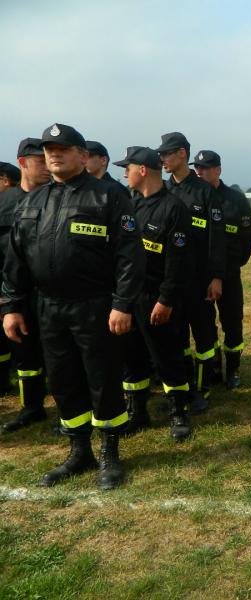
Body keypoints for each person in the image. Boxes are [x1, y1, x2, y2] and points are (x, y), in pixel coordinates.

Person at [2, 123, 145, 490]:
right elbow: (16, 259)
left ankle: (109, 453)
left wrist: (123, 304)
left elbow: (130, 255)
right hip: (48, 308)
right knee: (63, 381)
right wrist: (11, 306)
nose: (54, 155)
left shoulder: (109, 196)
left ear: (83, 156)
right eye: (49, 150)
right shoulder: (32, 201)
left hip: (96, 305)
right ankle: (79, 451)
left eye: (63, 149)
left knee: (102, 378)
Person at [114, 146, 193, 441]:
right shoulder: (129, 205)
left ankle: (178, 412)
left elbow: (178, 260)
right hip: (129, 297)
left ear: (143, 170)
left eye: (128, 169)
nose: (125, 174)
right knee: (131, 356)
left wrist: (166, 299)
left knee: (166, 356)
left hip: (157, 298)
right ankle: (138, 412)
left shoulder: (173, 208)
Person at [157, 132, 225, 411]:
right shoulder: (164, 190)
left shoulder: (205, 191)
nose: (162, 159)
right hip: (173, 280)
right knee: (177, 337)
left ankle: (203, 389)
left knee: (204, 336)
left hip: (200, 280)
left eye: (166, 154)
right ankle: (183, 388)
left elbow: (217, 238)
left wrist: (216, 277)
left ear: (182, 153)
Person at [194, 150, 251, 389]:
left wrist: (234, 263)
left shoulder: (235, 199)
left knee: (232, 322)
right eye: (197, 167)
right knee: (204, 324)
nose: (199, 172)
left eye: (205, 168)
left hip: (229, 275)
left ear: (218, 170)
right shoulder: (193, 197)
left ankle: (233, 369)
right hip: (200, 275)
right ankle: (212, 366)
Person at [0, 139, 49, 432]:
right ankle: (31, 407)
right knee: (25, 354)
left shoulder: (56, 197)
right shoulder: (5, 203)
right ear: (22, 163)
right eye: (39, 160)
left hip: (53, 291)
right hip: (18, 291)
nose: (46, 165)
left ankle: (73, 409)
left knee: (59, 353)